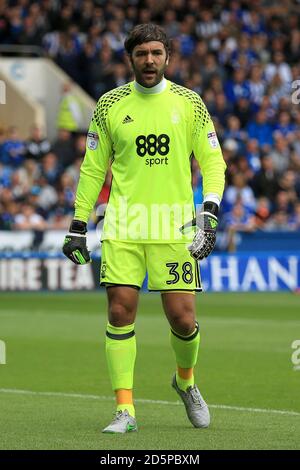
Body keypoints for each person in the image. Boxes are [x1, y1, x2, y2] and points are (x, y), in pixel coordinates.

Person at [63, 24, 226, 434]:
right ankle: (125, 410)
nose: (149, 60)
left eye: (156, 53)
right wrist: (78, 223)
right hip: (124, 225)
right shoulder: (109, 104)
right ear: (130, 58)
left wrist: (208, 212)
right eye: (142, 54)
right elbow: (92, 169)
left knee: (183, 320)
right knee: (120, 311)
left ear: (167, 56)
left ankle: (185, 382)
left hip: (174, 227)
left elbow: (213, 162)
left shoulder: (189, 103)